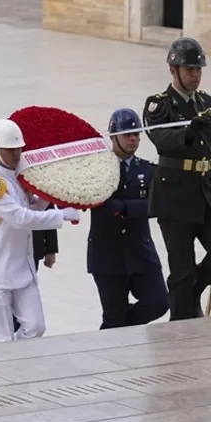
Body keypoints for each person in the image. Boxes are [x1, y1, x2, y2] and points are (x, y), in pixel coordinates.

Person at [143, 37, 211, 321]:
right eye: (189, 70)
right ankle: (181, 321)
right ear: (173, 70)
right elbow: (161, 139)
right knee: (182, 269)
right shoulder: (158, 105)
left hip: (206, 191)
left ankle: (189, 292)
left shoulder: (207, 103)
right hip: (174, 197)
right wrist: (188, 131)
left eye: (198, 69)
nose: (195, 75)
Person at [0, 118, 81, 342]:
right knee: (3, 341)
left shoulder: (18, 179)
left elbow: (30, 207)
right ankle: (10, 370)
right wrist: (62, 214)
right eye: (9, 149)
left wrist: (48, 194)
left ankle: (16, 358)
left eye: (18, 148)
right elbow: (20, 218)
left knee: (36, 328)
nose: (16, 154)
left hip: (21, 270)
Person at [87, 108, 168, 329]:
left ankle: (119, 329)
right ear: (113, 137)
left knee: (159, 302)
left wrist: (122, 208)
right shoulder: (98, 169)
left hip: (140, 252)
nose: (134, 139)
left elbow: (155, 205)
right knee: (113, 314)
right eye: (128, 135)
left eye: (137, 135)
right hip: (108, 255)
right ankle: (115, 332)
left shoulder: (148, 170)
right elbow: (100, 204)